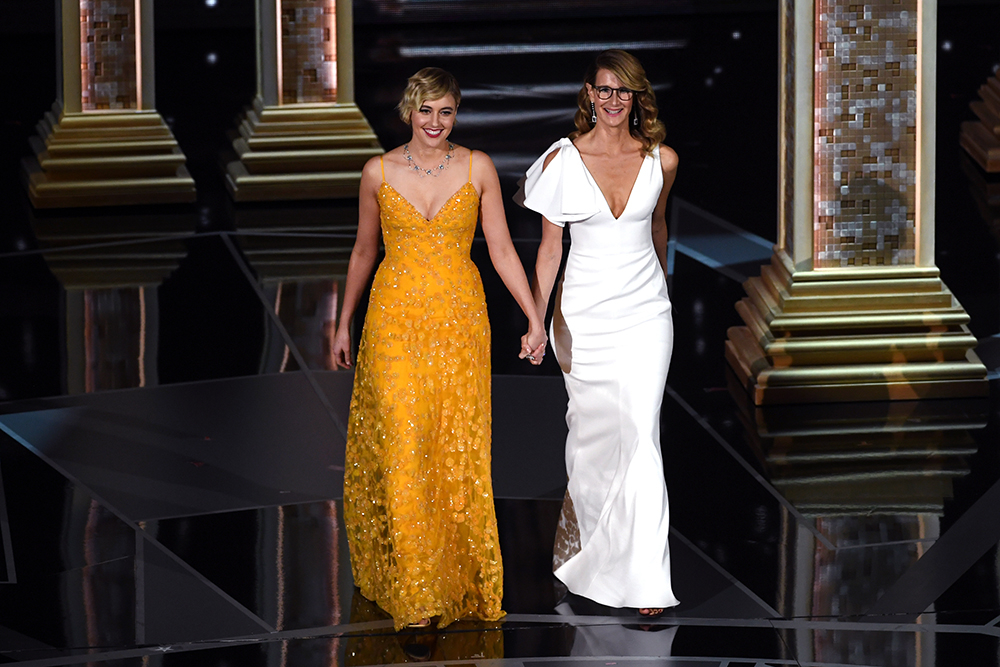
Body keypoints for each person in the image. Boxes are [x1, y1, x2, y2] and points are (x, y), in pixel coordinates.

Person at [332, 67, 547, 631]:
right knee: (404, 444)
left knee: (453, 447)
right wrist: (341, 322)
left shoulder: (477, 168)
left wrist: (533, 315)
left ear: (456, 114)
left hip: (459, 322)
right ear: (409, 111)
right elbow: (362, 252)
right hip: (394, 321)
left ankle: (449, 574)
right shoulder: (377, 171)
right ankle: (418, 598)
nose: (435, 122)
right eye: (425, 110)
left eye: (445, 111)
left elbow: (500, 248)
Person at [520, 50, 680, 616]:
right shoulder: (561, 161)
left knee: (641, 432)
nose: (614, 102)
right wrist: (536, 320)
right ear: (589, 94)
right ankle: (591, 555)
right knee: (593, 439)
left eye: (625, 92)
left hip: (645, 313)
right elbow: (548, 251)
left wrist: (663, 296)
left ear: (638, 98)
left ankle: (643, 580)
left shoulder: (662, 160)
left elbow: (658, 231)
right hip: (583, 315)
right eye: (604, 91)